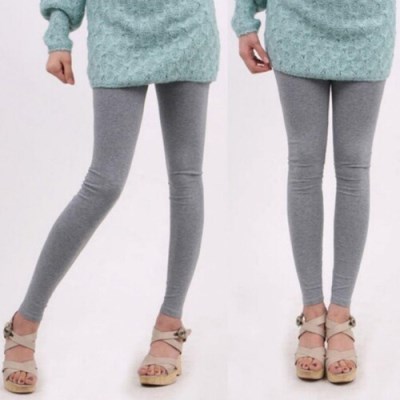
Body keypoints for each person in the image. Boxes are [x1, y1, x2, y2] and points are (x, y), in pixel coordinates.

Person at [2, 0, 220, 393]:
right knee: (104, 183)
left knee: (186, 179)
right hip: (117, 30)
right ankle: (25, 320)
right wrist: (58, 33)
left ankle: (170, 323)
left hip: (188, 26)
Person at [231, 0, 396, 383]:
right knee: (305, 166)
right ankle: (312, 310)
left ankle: (340, 312)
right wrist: (244, 19)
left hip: (368, 25)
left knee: (353, 168)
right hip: (296, 22)